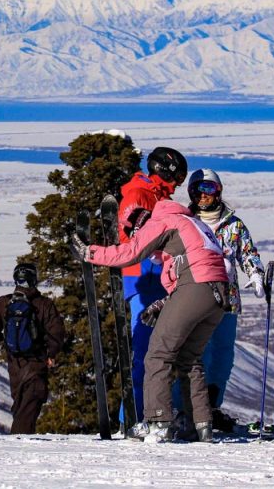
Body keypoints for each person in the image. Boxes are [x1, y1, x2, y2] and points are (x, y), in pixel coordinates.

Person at [72, 197, 228, 443]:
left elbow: (131, 252)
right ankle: (201, 425)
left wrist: (89, 252)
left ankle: (157, 422)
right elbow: (201, 269)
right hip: (218, 296)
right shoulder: (194, 223)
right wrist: (162, 304)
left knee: (158, 354)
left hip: (195, 286)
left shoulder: (161, 221)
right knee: (189, 357)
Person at [189, 169, 266, 432]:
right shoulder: (186, 222)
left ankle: (212, 407)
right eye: (199, 189)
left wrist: (255, 273)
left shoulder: (233, 225)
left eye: (209, 189)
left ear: (218, 191)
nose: (203, 195)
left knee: (223, 356)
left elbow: (247, 252)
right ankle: (188, 409)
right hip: (196, 299)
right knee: (200, 354)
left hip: (228, 301)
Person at [116, 146, 187, 422]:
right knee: (145, 352)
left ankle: (151, 413)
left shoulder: (156, 195)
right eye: (177, 176)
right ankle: (131, 418)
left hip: (157, 279)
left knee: (162, 351)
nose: (178, 183)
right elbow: (133, 238)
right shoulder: (139, 194)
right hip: (143, 280)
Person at [0, 263, 67, 434]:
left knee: (20, 405)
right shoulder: (44, 304)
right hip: (36, 363)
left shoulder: (3, 302)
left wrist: (5, 341)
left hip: (15, 364)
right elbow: (56, 333)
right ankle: (18, 445)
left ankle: (19, 442)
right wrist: (52, 354)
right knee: (28, 410)